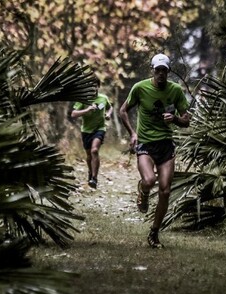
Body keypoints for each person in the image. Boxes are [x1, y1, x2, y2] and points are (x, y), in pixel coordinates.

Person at [119, 53, 190, 248]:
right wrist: (132, 133)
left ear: (168, 72)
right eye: (157, 70)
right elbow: (123, 110)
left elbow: (186, 119)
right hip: (146, 144)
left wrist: (175, 119)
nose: (160, 74)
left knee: (165, 191)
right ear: (153, 70)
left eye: (164, 71)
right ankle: (143, 191)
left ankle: (154, 233)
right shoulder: (140, 88)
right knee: (149, 180)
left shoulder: (175, 91)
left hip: (166, 145)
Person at [71, 80, 113, 188]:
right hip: (86, 130)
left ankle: (94, 178)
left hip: (100, 128)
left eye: (94, 86)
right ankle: (90, 172)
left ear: (98, 87)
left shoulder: (103, 98)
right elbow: (73, 114)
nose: (92, 89)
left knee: (94, 150)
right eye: (89, 87)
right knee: (89, 154)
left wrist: (108, 114)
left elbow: (110, 107)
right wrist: (87, 110)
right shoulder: (83, 100)